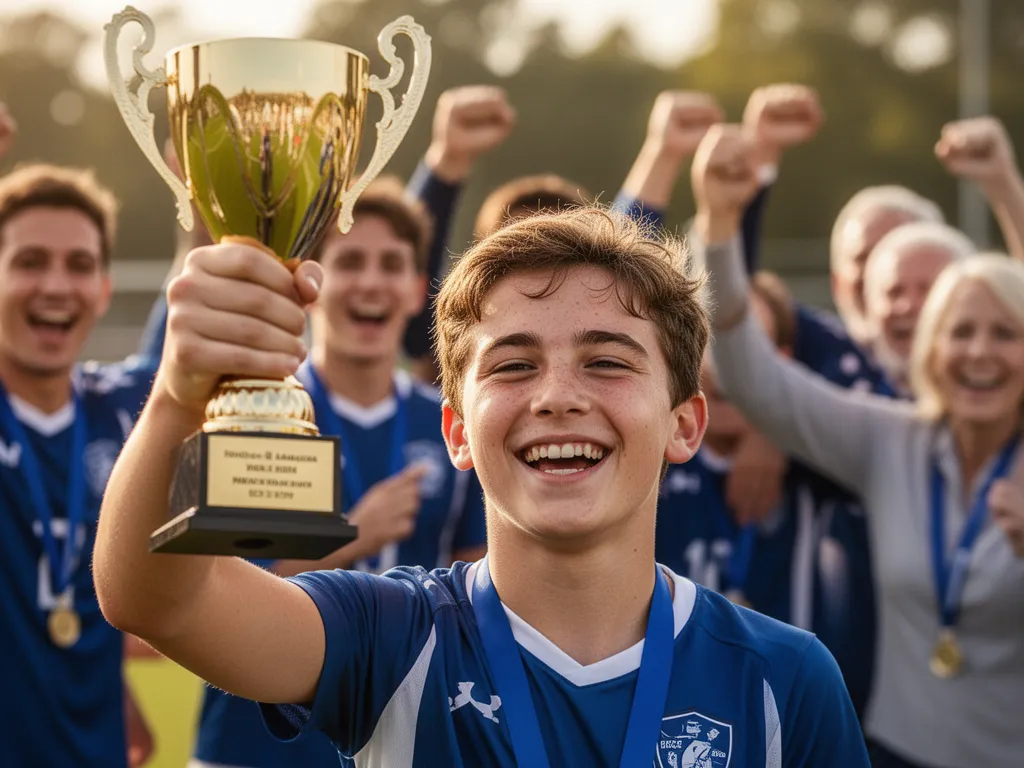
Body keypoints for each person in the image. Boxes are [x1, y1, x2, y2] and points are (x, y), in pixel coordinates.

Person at [94, 202, 869, 766]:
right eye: (512, 365)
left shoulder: (783, 677)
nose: (557, 394)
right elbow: (159, 600)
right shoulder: (390, 635)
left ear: (685, 425)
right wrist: (177, 396)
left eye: (606, 361)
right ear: (457, 432)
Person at [693, 123, 1024, 768]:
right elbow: (749, 370)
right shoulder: (890, 439)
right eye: (959, 333)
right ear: (930, 348)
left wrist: (1002, 187)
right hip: (894, 753)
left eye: (1004, 333)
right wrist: (719, 224)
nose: (979, 353)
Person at [189, 179, 487, 768]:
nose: (371, 281)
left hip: (403, 744)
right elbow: (214, 592)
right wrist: (355, 533)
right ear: (310, 283)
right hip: (256, 748)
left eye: (391, 264)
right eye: (350, 261)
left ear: (414, 290)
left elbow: (485, 584)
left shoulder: (455, 424)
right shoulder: (255, 409)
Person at [0, 163, 155, 766]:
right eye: (30, 261)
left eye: (80, 265)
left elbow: (183, 345)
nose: (57, 286)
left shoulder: (119, 411)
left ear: (104, 288)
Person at [860, 222, 975, 394]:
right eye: (894, 292)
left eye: (929, 290)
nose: (908, 305)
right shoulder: (847, 383)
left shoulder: (1001, 398)